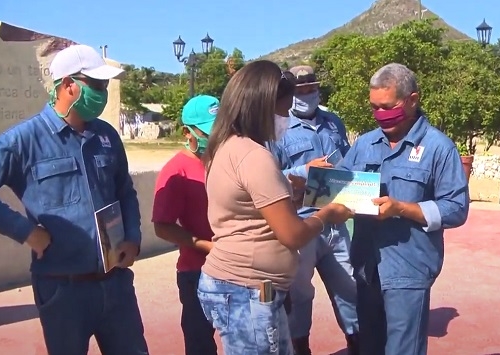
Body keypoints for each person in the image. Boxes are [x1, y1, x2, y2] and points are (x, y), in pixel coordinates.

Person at [0, 45, 148, 355]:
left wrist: (132, 237)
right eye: (98, 85)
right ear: (68, 85)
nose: (103, 93)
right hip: (62, 289)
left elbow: (124, 191)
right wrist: (26, 232)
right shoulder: (23, 141)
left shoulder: (106, 136)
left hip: (115, 283)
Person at [197, 60, 354, 355]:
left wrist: (292, 196)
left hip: (255, 286)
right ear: (263, 107)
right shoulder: (254, 156)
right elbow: (292, 235)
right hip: (247, 288)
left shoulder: (226, 146)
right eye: (283, 110)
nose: (284, 119)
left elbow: (251, 209)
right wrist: (328, 215)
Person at [338, 63, 469, 355]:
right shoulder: (364, 144)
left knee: (403, 349)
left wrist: (402, 209)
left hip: (408, 268)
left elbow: (456, 208)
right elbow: (340, 189)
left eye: (389, 107)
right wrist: (315, 186)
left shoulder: (439, 148)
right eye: (375, 108)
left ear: (412, 99)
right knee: (369, 347)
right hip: (366, 266)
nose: (381, 115)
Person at [269, 65, 359, 355]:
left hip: (336, 220)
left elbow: (347, 164)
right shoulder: (277, 126)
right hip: (301, 225)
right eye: (300, 89)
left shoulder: (334, 122)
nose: (307, 93)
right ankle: (300, 348)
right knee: (300, 295)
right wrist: (305, 170)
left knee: (350, 288)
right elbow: (270, 176)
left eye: (312, 88)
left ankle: (358, 343)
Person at [152, 95, 220, 355]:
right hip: (197, 274)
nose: (215, 138)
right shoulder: (175, 171)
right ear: (187, 133)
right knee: (200, 344)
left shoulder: (223, 162)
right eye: (208, 132)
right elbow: (163, 226)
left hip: (234, 268)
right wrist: (208, 247)